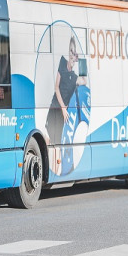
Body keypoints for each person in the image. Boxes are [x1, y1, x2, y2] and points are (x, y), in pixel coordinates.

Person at [46, 37, 86, 173]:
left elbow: (85, 80)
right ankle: (52, 168)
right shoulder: (62, 63)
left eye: (74, 53)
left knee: (57, 144)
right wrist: (63, 108)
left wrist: (81, 62)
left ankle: (55, 170)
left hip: (65, 115)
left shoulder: (75, 77)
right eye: (71, 51)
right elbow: (56, 87)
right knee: (48, 139)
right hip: (55, 108)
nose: (71, 55)